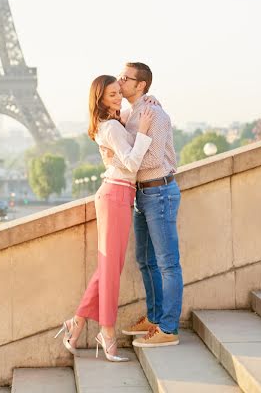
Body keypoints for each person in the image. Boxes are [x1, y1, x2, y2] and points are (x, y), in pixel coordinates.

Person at [55, 74, 154, 362]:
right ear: (99, 98)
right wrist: (145, 132)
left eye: (117, 92)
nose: (117, 97)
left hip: (119, 196)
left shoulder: (113, 121)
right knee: (111, 269)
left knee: (109, 267)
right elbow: (132, 162)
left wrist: (149, 99)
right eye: (111, 94)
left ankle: (77, 323)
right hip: (115, 196)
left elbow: (131, 109)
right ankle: (107, 333)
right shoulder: (110, 127)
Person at [101, 62, 183, 348]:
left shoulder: (154, 114)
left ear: (141, 86)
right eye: (120, 75)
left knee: (167, 263)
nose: (120, 81)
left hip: (158, 192)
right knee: (145, 261)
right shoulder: (130, 113)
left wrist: (123, 159)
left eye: (126, 78)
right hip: (141, 195)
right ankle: (155, 316)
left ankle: (169, 328)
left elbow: (151, 161)